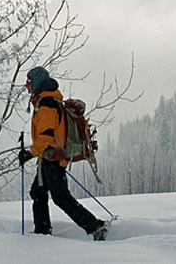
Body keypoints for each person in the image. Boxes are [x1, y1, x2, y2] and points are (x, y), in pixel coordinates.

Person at [16, 67, 108, 241]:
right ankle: (42, 231)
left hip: (53, 158)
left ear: (36, 82)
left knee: (60, 198)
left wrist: (30, 153)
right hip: (49, 157)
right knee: (38, 192)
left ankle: (95, 227)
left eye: (28, 82)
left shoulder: (47, 104)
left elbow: (46, 135)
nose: (26, 86)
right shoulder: (46, 100)